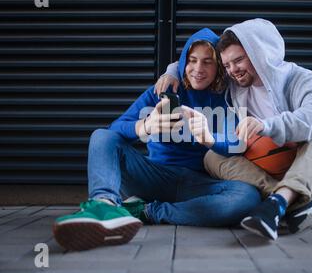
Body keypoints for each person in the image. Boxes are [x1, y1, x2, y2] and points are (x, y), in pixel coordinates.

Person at [52, 28, 262, 251]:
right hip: (154, 176)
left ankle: (146, 211)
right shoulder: (164, 90)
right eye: (192, 60)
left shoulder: (228, 97)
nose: (198, 69)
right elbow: (114, 130)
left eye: (207, 62)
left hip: (198, 182)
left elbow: (236, 145)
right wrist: (145, 126)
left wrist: (209, 139)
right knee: (101, 136)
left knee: (246, 197)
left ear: (218, 65)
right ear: (183, 62)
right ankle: (103, 205)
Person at [156, 18, 312, 240]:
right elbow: (200, 62)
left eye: (238, 60)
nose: (232, 70)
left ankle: (280, 202)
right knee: (212, 156)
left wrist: (268, 126)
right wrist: (172, 72)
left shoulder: (298, 78)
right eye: (226, 65)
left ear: (260, 53)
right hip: (269, 172)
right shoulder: (237, 86)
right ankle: (283, 203)